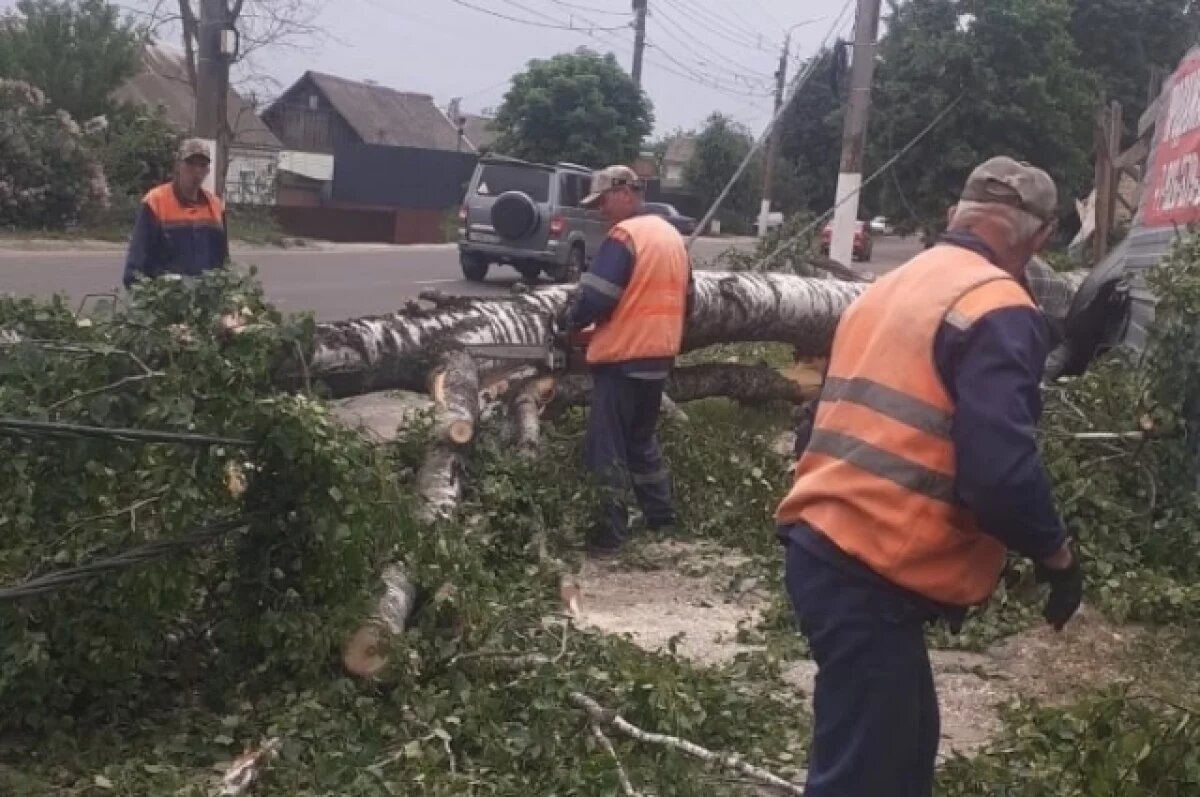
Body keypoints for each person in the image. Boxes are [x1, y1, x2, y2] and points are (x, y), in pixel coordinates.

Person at [776, 156, 1084, 797]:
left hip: (829, 546)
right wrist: (1056, 555)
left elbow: (816, 423)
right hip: (870, 565)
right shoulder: (999, 306)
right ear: (1039, 238)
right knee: (866, 773)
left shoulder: (893, 286)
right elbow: (998, 474)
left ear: (957, 215)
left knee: (905, 741)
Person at [558, 165, 691, 557]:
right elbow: (691, 299)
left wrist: (567, 320)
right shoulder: (670, 236)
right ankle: (661, 517)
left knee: (607, 447)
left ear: (624, 194)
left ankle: (610, 534)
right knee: (640, 441)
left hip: (623, 356)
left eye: (603, 201)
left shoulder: (625, 237)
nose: (601, 210)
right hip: (659, 354)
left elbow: (597, 296)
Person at [123, 139, 229, 288]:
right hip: (165, 299)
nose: (196, 171)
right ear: (178, 165)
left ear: (208, 170)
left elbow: (223, 263)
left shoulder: (216, 207)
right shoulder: (156, 202)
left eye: (202, 165)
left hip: (204, 301)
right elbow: (136, 264)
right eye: (190, 163)